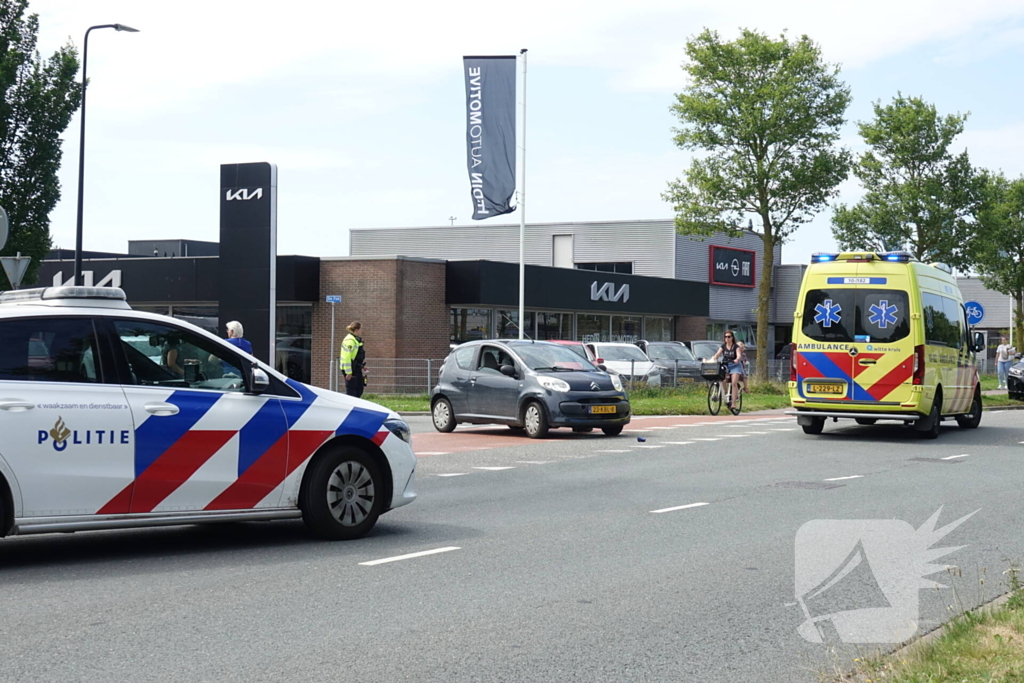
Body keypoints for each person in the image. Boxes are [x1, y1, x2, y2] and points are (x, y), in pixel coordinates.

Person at [711, 330, 745, 410]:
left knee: (733, 383)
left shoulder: (736, 347)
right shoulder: (723, 346)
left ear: (732, 338)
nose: (727, 338)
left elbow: (739, 355)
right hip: (726, 365)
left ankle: (733, 403)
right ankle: (726, 393)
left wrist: (737, 359)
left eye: (729, 336)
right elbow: (717, 354)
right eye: (725, 337)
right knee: (723, 380)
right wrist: (713, 358)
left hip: (735, 365)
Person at [340, 321, 367, 398]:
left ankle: (355, 406)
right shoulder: (350, 341)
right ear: (356, 330)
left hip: (356, 367)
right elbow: (347, 357)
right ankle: (349, 407)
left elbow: (356, 356)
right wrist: (349, 372)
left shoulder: (356, 340)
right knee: (351, 391)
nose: (362, 331)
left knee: (359, 388)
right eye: (361, 329)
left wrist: (361, 366)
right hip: (351, 369)